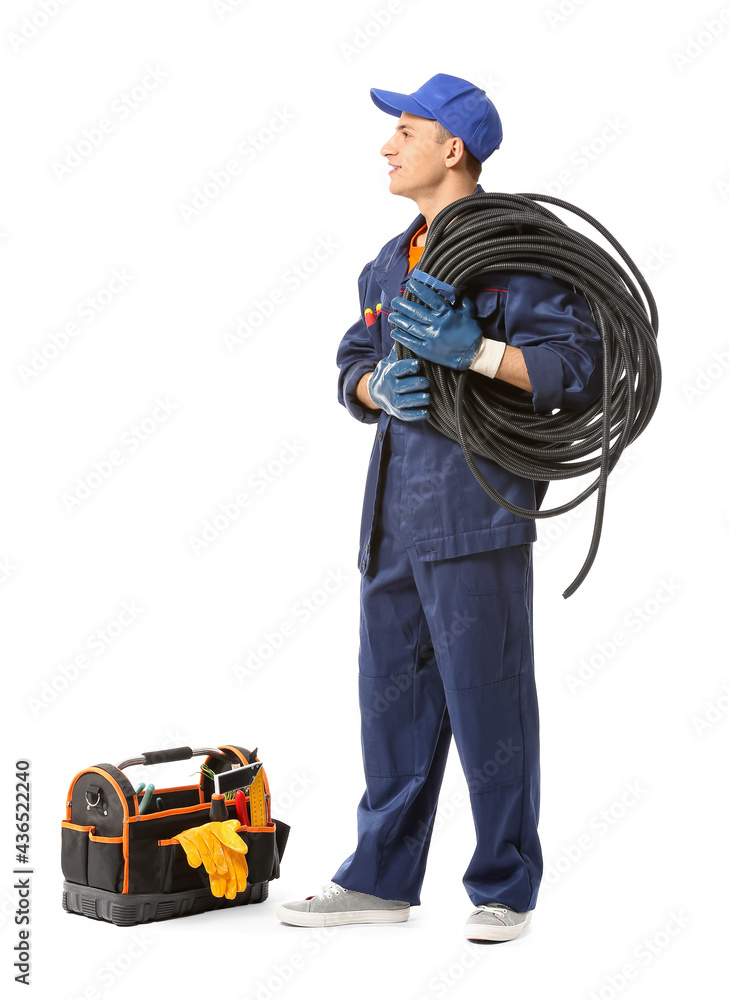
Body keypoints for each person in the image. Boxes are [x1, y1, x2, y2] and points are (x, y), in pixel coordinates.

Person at [277, 73, 602, 942]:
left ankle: (504, 887)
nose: (387, 147)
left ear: (450, 149)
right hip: (390, 516)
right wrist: (373, 385)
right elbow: (351, 357)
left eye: (405, 133)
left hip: (474, 504)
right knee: (389, 702)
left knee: (486, 699)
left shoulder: (518, 250)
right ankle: (380, 879)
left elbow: (576, 371)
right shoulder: (388, 262)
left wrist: (479, 351)